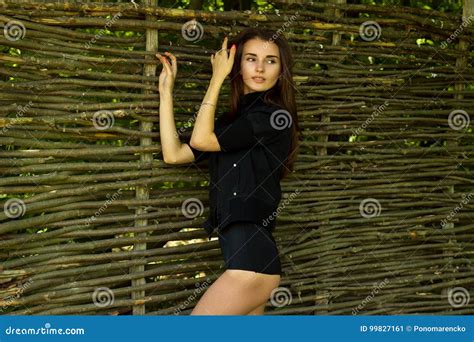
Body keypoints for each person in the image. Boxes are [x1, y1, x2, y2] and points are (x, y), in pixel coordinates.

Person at [156, 28, 301, 315]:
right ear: (239, 65)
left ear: (281, 69)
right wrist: (165, 93)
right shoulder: (229, 124)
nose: (260, 68)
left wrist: (217, 77)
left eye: (271, 61)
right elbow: (174, 155)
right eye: (251, 59)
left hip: (250, 266)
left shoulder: (274, 118)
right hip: (250, 264)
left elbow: (200, 140)